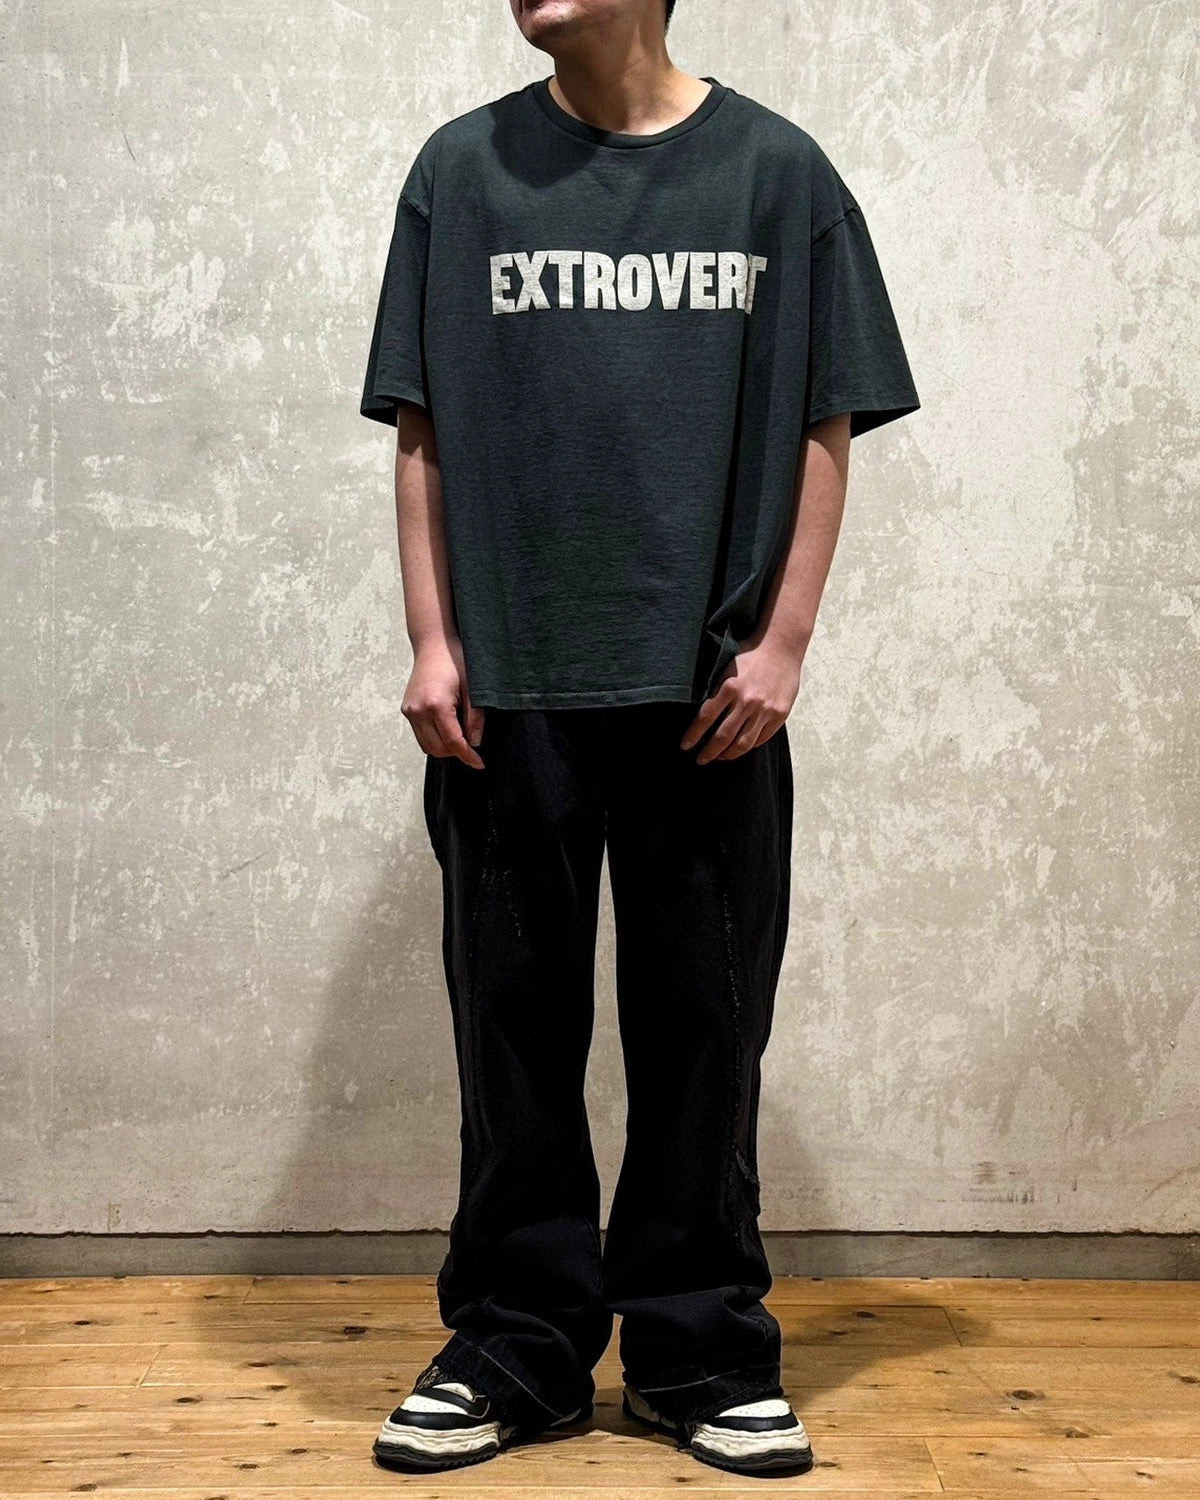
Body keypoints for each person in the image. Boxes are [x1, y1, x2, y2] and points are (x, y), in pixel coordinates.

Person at [359, 0, 919, 1479]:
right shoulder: (461, 175)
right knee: (511, 1033)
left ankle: (700, 1347)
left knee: (705, 1032)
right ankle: (518, 1346)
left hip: (709, 696)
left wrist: (783, 647)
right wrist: (432, 639)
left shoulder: (778, 176)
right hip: (508, 691)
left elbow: (827, 422)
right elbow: (419, 425)